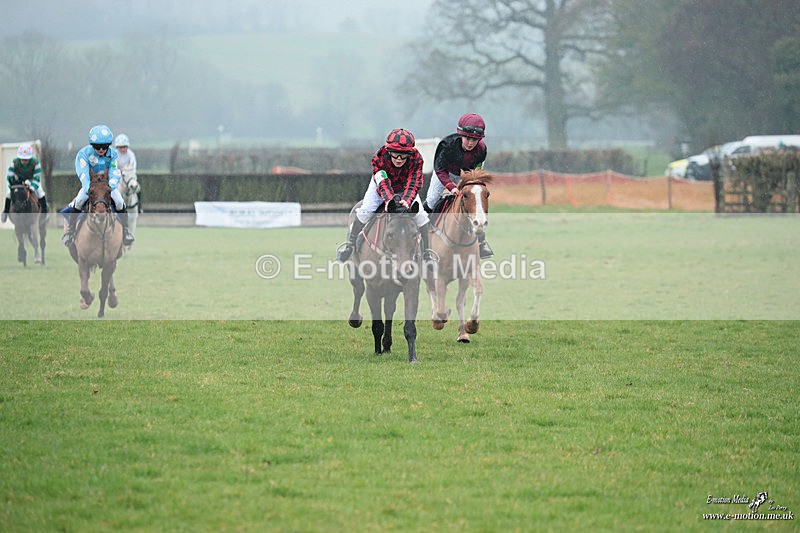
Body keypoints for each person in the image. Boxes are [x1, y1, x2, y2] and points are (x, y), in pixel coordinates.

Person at [336, 128, 433, 262]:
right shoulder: (380, 158)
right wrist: (388, 200)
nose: (399, 159)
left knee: (422, 217)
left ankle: (427, 253)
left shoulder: (417, 159)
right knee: (365, 212)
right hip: (381, 186)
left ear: (409, 154)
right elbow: (383, 183)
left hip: (405, 188)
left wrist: (406, 200)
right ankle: (350, 246)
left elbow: (413, 182)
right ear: (389, 151)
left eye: (403, 155)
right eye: (395, 154)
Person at [425, 113, 493, 258]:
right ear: (461, 135)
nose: (471, 143)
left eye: (475, 140)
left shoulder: (482, 149)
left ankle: (481, 242)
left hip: (466, 174)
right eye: (468, 138)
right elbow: (440, 170)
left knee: (477, 201)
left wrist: (470, 184)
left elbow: (476, 171)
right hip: (445, 173)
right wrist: (451, 187)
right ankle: (422, 239)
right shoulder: (446, 145)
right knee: (431, 200)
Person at [61, 124, 135, 247]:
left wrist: (110, 186)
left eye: (104, 146)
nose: (101, 149)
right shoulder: (83, 154)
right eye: (97, 146)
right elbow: (83, 172)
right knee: (79, 201)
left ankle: (126, 232)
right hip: (91, 186)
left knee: (120, 202)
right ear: (92, 145)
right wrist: (88, 188)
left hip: (107, 186)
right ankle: (71, 231)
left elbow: (114, 171)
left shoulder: (113, 154)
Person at [2, 143, 48, 222]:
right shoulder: (15, 162)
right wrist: (14, 185)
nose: (24, 162)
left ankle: (45, 212)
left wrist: (32, 187)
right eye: (22, 159)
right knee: (8, 194)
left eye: (26, 160)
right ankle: (5, 212)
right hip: (19, 181)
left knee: (41, 193)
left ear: (30, 158)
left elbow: (37, 178)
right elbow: (10, 176)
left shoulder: (35, 163)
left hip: (32, 180)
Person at [114, 133, 141, 243]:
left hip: (129, 176)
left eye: (124, 147)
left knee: (137, 188)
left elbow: (133, 168)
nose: (123, 149)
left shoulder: (131, 155)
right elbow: (113, 168)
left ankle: (139, 206)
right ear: (117, 147)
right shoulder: (114, 155)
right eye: (121, 147)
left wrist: (126, 173)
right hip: (117, 178)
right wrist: (119, 181)